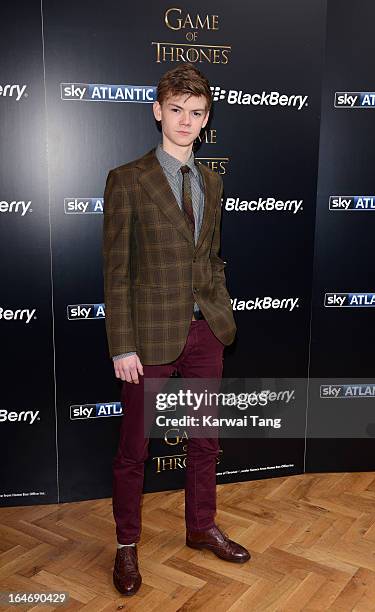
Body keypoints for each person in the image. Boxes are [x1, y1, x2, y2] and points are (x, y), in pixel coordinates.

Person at [102, 62, 250, 597]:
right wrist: (122, 344)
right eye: (176, 110)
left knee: (206, 439)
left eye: (196, 112)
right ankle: (126, 546)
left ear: (206, 119)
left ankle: (200, 526)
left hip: (205, 330)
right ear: (157, 112)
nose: (186, 121)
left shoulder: (212, 180)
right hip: (149, 337)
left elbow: (206, 256)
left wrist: (218, 307)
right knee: (134, 447)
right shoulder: (128, 180)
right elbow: (115, 272)